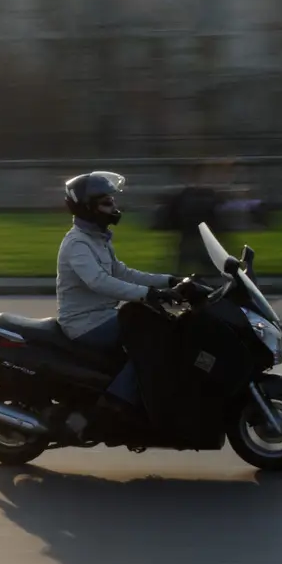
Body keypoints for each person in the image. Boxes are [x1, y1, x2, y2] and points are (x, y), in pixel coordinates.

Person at [55, 170, 183, 420]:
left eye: (113, 200)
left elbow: (122, 272)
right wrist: (150, 294)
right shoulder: (77, 244)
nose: (114, 206)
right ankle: (117, 404)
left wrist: (170, 281)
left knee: (159, 327)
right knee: (152, 340)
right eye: (106, 202)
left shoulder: (97, 239)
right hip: (85, 323)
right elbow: (99, 281)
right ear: (88, 208)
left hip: (102, 316)